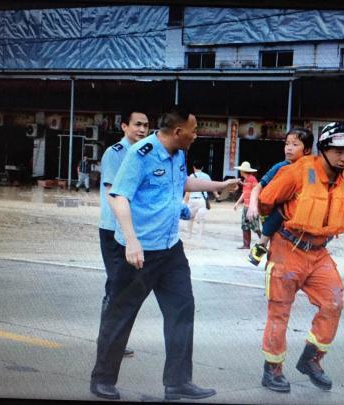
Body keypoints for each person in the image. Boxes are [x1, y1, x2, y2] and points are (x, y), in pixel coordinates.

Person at [89, 105, 239, 401]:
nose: (197, 135)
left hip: (171, 250)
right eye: (194, 131)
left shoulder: (179, 153)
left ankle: (178, 382)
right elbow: (119, 197)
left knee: (182, 310)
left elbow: (181, 182)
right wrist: (131, 241)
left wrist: (218, 185)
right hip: (139, 251)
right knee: (121, 315)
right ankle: (102, 379)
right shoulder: (140, 154)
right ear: (178, 132)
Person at [257, 122, 344, 393]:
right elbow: (266, 200)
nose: (343, 157)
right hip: (287, 249)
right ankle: (272, 370)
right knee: (279, 313)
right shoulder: (298, 171)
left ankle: (311, 359)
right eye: (338, 151)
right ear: (324, 149)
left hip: (319, 252)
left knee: (334, 302)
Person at [97, 108, 150, 358]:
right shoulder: (114, 153)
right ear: (124, 127)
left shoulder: (143, 155)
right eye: (137, 124)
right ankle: (107, 340)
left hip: (131, 231)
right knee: (116, 285)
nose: (141, 129)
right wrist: (126, 232)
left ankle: (115, 339)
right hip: (113, 230)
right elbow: (112, 194)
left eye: (145, 125)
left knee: (126, 287)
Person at [246, 128, 314, 265]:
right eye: (287, 144)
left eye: (295, 145)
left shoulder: (312, 169)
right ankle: (261, 245)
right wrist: (252, 206)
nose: (289, 148)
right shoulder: (281, 167)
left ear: (307, 150)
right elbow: (257, 188)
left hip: (301, 213)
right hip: (277, 209)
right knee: (280, 211)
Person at [183, 160, 220, 238]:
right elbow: (212, 186)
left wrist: (184, 201)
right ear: (202, 168)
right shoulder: (206, 176)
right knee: (202, 219)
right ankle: (199, 235)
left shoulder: (192, 176)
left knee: (190, 218)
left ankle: (189, 235)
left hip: (192, 200)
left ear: (193, 167)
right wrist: (217, 195)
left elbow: (188, 191)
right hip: (202, 200)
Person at [233, 161, 261, 249]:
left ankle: (265, 241)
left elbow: (257, 191)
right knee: (245, 226)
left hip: (251, 207)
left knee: (255, 226)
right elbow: (244, 193)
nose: (240, 172)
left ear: (243, 171)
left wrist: (255, 206)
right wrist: (237, 203)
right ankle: (246, 245)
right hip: (246, 206)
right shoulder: (245, 180)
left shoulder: (252, 179)